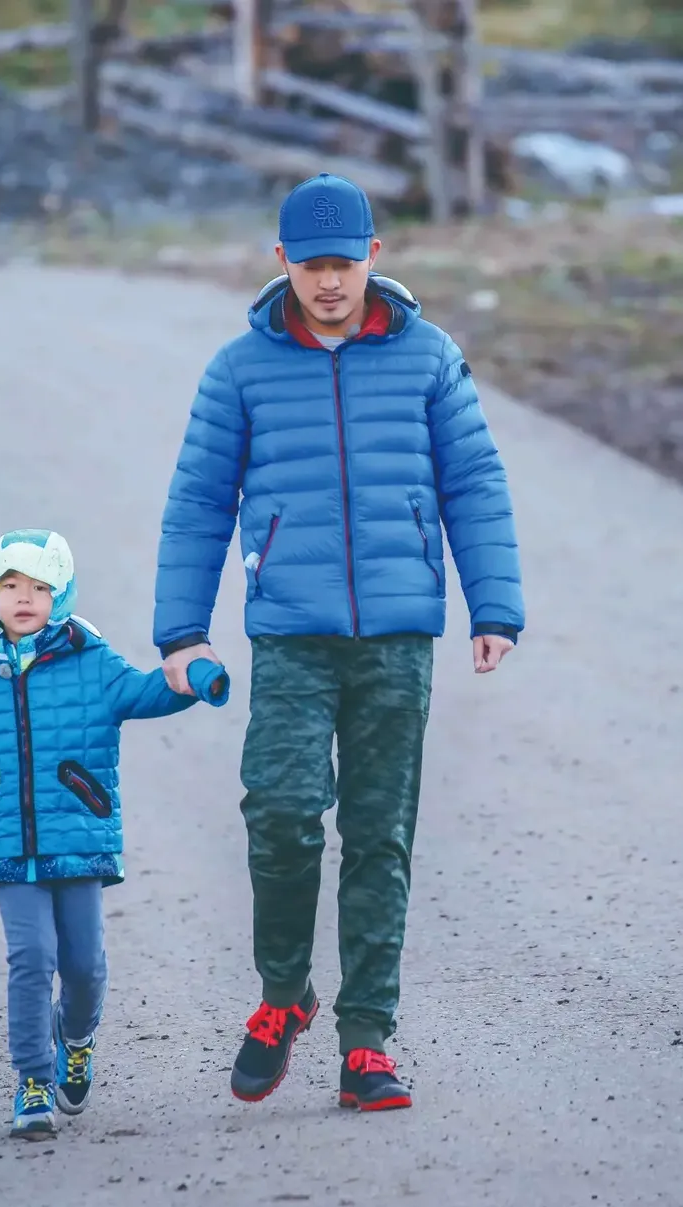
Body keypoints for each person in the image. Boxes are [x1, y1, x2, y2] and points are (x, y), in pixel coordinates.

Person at [154, 173, 525, 1113]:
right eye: (312, 266)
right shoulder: (240, 368)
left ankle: (367, 1039)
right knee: (279, 815)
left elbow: (474, 483)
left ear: (374, 259)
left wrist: (494, 607)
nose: (329, 283)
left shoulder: (429, 357)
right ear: (282, 262)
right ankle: (285, 994)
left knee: (379, 836)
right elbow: (198, 504)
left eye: (344, 264)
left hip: (398, 636)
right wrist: (182, 633)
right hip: (290, 635)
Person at [0, 529, 229, 1139]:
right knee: (30, 958)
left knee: (85, 965)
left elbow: (147, 693)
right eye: (10, 585)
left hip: (79, 838)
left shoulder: (91, 662)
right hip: (5, 847)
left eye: (40, 587)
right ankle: (33, 1081)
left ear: (61, 596)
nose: (24, 598)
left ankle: (75, 1038)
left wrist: (194, 677)